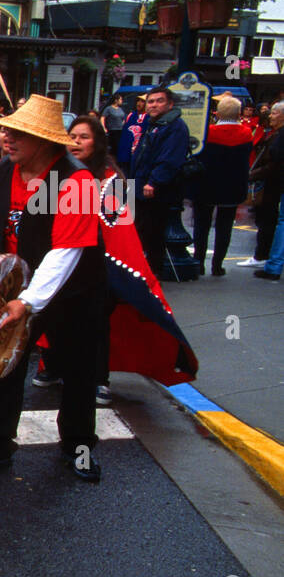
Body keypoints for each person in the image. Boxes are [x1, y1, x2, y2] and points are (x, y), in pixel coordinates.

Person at [0, 96, 106, 482]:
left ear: (44, 140)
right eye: (5, 130)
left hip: (74, 290)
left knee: (78, 371)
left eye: (17, 133)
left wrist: (28, 302)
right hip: (17, 283)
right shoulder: (1, 171)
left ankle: (77, 448)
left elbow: (66, 252)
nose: (5, 138)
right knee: (4, 364)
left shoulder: (76, 180)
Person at [60, 115, 199, 404]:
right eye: (72, 136)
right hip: (64, 260)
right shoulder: (58, 173)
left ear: (97, 142)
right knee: (60, 316)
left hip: (102, 264)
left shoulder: (111, 179)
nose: (76, 142)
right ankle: (55, 365)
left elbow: (112, 223)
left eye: (83, 137)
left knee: (96, 318)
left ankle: (98, 378)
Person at [129, 87, 190, 276]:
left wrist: (154, 182)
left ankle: (151, 276)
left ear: (170, 104)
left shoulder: (175, 126)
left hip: (154, 190)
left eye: (159, 101)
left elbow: (170, 159)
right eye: (151, 101)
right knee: (140, 232)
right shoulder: (154, 124)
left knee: (152, 234)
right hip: (140, 185)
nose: (153, 105)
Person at [191, 96, 252, 277]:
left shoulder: (208, 132)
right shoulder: (246, 133)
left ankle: (199, 262)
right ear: (238, 114)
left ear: (217, 113)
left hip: (207, 184)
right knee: (225, 226)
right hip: (233, 186)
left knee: (202, 225)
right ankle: (217, 265)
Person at [243, 101, 284, 270]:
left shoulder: (279, 136)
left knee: (271, 220)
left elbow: (275, 163)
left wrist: (251, 175)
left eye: (274, 113)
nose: (270, 116)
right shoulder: (275, 134)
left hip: (274, 184)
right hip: (271, 183)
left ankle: (268, 261)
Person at [118, 94, 146, 170]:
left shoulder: (149, 118)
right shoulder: (131, 115)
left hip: (138, 154)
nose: (139, 103)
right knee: (121, 176)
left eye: (142, 101)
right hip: (125, 152)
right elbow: (124, 135)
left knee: (132, 179)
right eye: (138, 101)